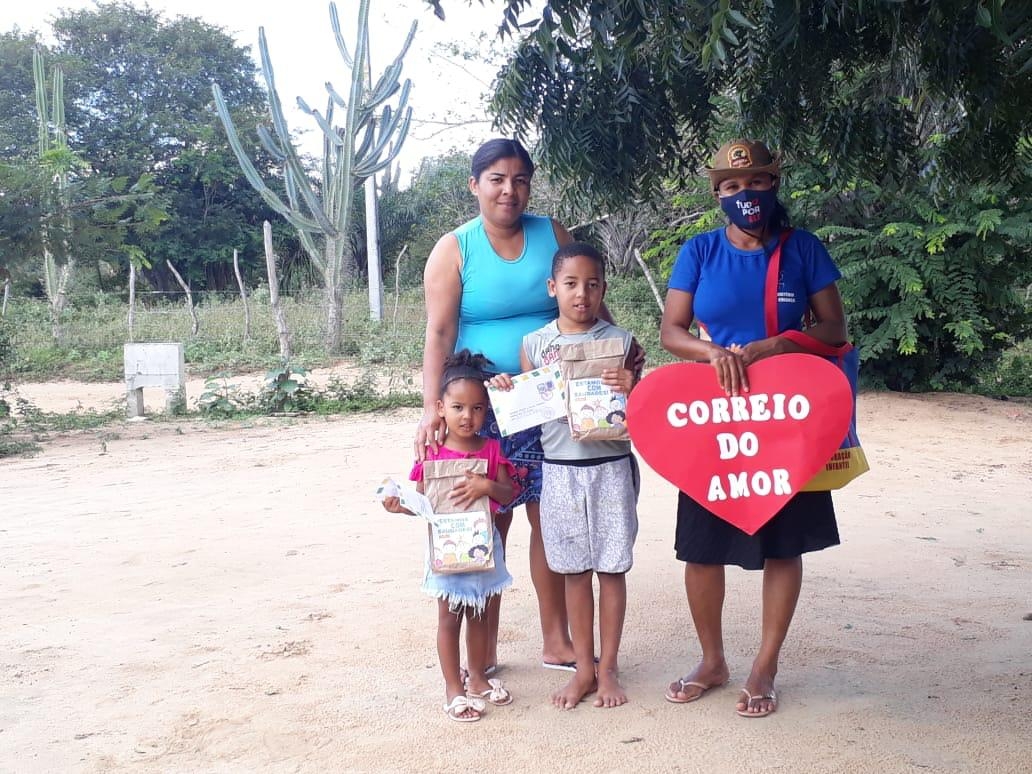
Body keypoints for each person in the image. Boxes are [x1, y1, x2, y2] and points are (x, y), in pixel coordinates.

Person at [659, 139, 849, 718]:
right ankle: (712, 660)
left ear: (773, 185)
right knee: (701, 545)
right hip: (716, 417)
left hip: (789, 417)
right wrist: (710, 351)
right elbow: (671, 330)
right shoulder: (699, 252)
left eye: (757, 183)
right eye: (733, 188)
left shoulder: (804, 250)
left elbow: (835, 326)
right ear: (718, 195)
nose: (746, 195)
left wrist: (775, 345)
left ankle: (765, 666)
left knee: (785, 542)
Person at [416, 138, 581, 672]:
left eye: (520, 180)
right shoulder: (454, 248)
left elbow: (582, 300)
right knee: (489, 519)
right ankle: (481, 654)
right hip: (482, 407)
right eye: (496, 179)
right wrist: (431, 410)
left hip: (549, 399)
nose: (509, 191)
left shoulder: (551, 233)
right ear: (475, 185)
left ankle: (556, 641)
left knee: (548, 517)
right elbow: (439, 334)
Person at [490, 242, 640, 709]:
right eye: (571, 284)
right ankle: (584, 669)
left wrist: (634, 386)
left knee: (612, 569)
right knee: (574, 572)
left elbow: (642, 408)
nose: (582, 294)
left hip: (611, 468)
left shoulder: (623, 342)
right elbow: (533, 406)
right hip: (559, 472)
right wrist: (506, 390)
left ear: (603, 289)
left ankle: (610, 669)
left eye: (592, 284)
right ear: (553, 288)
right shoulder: (535, 345)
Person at [382, 350, 517, 722]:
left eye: (476, 409)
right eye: (458, 407)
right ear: (440, 408)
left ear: (486, 410)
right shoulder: (432, 454)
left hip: (483, 547)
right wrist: (399, 506)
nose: (467, 416)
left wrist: (487, 485)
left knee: (478, 615)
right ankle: (452, 688)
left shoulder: (491, 449)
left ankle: (476, 678)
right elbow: (421, 501)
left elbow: (508, 495)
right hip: (445, 551)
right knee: (449, 617)